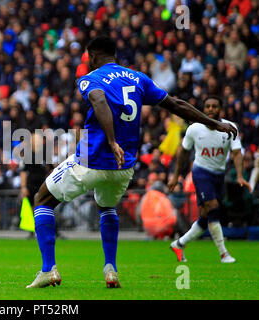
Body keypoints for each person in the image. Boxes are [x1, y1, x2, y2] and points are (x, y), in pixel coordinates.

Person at [26, 36, 238, 289]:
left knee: (42, 199)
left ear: (93, 56)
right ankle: (110, 268)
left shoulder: (90, 79)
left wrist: (111, 140)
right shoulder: (138, 79)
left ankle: (48, 269)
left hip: (93, 160)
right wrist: (214, 123)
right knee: (106, 206)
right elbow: (176, 104)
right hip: (123, 167)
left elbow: (99, 101)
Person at [168, 96, 252, 263]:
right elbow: (183, 153)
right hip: (201, 172)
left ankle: (179, 243)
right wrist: (176, 176)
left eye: (214, 106)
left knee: (207, 216)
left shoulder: (230, 128)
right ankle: (223, 254)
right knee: (213, 208)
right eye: (208, 107)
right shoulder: (194, 129)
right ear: (203, 109)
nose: (211, 109)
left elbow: (236, 153)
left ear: (220, 109)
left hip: (219, 175)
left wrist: (241, 175)